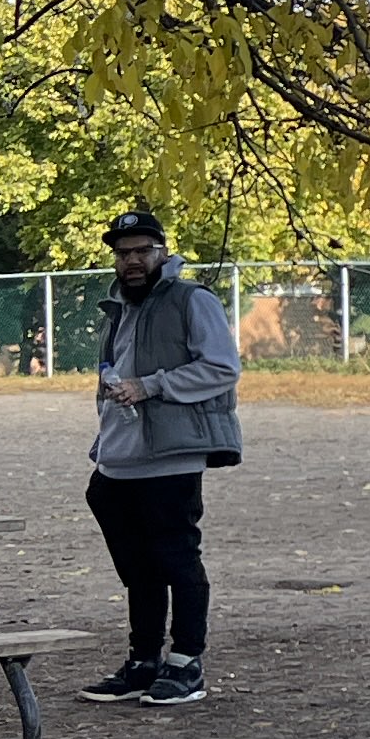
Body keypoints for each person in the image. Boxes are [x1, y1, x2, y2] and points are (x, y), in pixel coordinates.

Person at [82, 209, 242, 707]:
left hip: (171, 458)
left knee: (176, 560)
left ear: (162, 252)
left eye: (141, 251)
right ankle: (143, 661)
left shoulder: (192, 299)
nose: (131, 261)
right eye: (122, 253)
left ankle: (186, 662)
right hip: (118, 460)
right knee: (137, 568)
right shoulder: (118, 308)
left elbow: (221, 368)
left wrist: (150, 387)